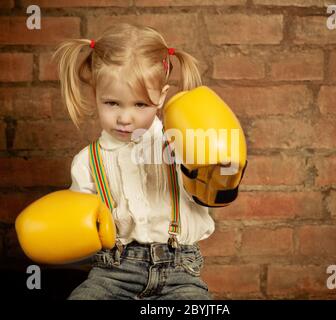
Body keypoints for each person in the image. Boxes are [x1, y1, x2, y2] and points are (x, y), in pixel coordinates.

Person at [52, 22, 215, 300]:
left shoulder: (181, 145)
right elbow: (80, 227)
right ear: (95, 96)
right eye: (112, 103)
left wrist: (215, 172)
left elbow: (207, 195)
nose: (125, 118)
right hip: (112, 273)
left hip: (180, 272)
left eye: (140, 105)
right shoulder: (86, 162)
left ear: (160, 98)